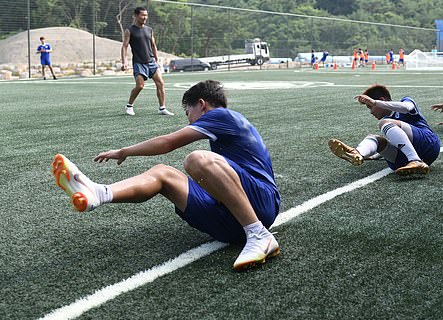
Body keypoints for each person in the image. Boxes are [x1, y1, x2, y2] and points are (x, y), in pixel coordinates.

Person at [51, 80, 281, 271]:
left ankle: (259, 235)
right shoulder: (219, 131)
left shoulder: (224, 116)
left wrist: (124, 151)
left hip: (262, 204)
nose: (188, 118)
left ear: (201, 105)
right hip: (229, 226)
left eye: (188, 112)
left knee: (197, 159)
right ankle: (99, 193)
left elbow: (168, 142)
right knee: (163, 173)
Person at [328, 84, 440, 176]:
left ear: (382, 100)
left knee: (384, 123)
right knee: (375, 139)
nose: (370, 112)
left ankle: (415, 160)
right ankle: (358, 153)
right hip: (402, 162)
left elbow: (406, 107)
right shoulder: (388, 123)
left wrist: (375, 103)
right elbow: (399, 142)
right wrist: (374, 155)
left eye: (370, 107)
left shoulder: (406, 101)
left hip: (429, 144)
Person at [121, 6, 174, 116]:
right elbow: (125, 46)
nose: (145, 17)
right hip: (138, 63)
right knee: (140, 86)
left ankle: (162, 108)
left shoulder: (149, 30)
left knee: (160, 83)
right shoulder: (129, 30)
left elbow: (153, 45)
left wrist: (156, 58)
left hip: (151, 62)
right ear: (136, 16)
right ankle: (129, 106)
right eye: (142, 15)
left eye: (146, 15)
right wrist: (124, 62)